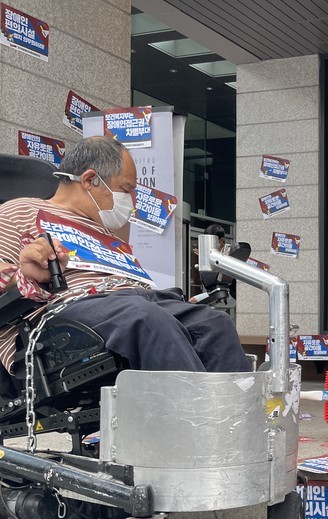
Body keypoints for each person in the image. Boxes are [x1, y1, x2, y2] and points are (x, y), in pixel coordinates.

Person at [0, 135, 250, 374]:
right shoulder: (20, 211)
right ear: (89, 180)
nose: (131, 200)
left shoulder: (105, 232)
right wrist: (22, 275)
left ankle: (233, 405)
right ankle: (192, 405)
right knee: (147, 318)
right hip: (68, 311)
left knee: (214, 323)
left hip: (136, 301)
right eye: (125, 189)